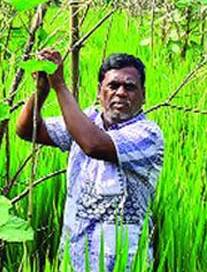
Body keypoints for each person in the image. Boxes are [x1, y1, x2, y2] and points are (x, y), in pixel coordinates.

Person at [16, 50, 164, 272]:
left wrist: (60, 86)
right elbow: (28, 130)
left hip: (124, 263)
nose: (121, 93)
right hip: (75, 258)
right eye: (113, 86)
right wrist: (40, 92)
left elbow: (93, 144)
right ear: (99, 91)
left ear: (143, 95)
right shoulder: (88, 120)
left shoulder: (148, 135)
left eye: (130, 87)